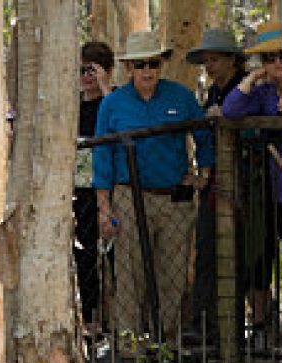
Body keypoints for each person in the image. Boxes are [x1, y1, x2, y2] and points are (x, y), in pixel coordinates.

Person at [93, 30, 214, 340]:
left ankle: (166, 342)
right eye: (141, 65)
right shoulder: (113, 104)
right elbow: (102, 156)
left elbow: (204, 136)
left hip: (174, 199)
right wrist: (104, 208)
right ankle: (130, 345)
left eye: (153, 64)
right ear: (129, 67)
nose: (148, 71)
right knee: (129, 273)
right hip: (128, 198)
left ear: (161, 65)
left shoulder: (182, 97)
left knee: (173, 275)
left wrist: (204, 175)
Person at [222, 19, 282, 349]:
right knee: (259, 258)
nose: (279, 63)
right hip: (265, 191)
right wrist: (252, 78)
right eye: (271, 58)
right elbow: (230, 110)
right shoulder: (260, 91)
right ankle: (261, 324)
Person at [185, 28, 246, 339]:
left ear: (231, 59)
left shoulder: (245, 88)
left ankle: (235, 327)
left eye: (215, 59)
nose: (209, 66)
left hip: (246, 182)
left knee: (242, 254)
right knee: (207, 247)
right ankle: (205, 324)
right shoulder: (212, 93)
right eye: (206, 60)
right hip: (216, 182)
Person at [75, 41, 114, 332]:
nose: (86, 76)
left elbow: (119, 123)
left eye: (92, 70)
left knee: (117, 256)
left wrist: (104, 87)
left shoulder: (112, 102)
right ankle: (89, 320)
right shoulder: (71, 107)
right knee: (84, 255)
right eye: (81, 70)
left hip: (111, 186)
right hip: (79, 190)